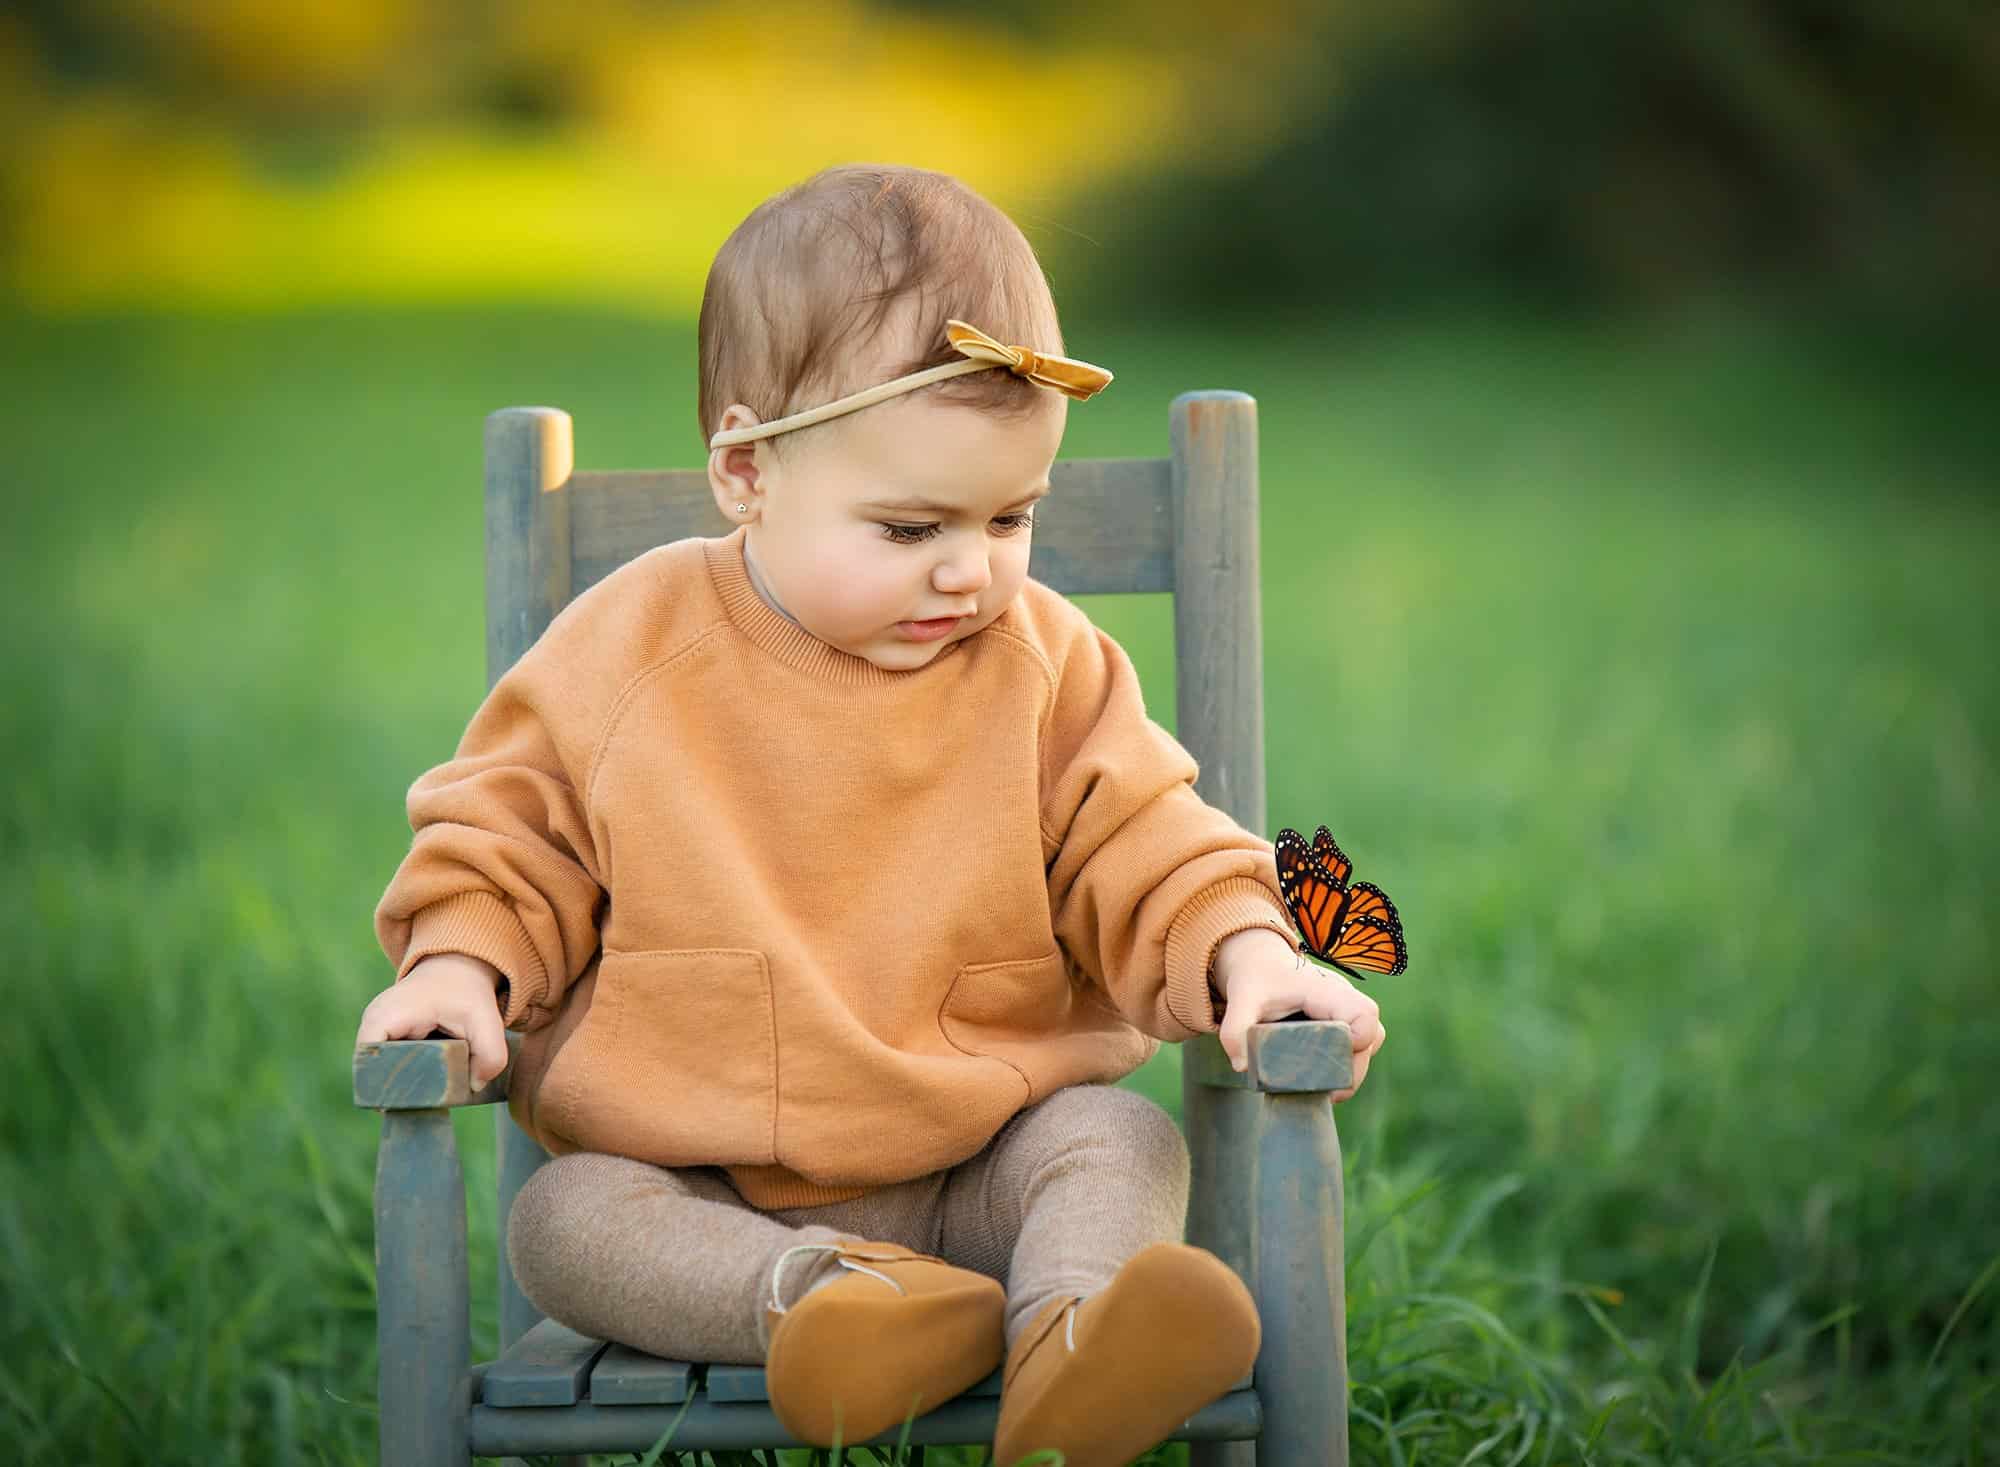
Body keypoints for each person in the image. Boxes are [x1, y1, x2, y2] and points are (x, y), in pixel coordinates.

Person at [354, 162, 1385, 1466]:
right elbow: (509, 835)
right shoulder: (626, 649)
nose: (969, 568)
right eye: (908, 527)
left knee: (1116, 1134)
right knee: (568, 1220)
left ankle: (1074, 1349)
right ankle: (837, 1311)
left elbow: (1150, 841)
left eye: (1012, 515)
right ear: (745, 472)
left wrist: (1251, 956)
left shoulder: (1041, 662)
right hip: (700, 1186)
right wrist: (456, 966)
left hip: (980, 1167)